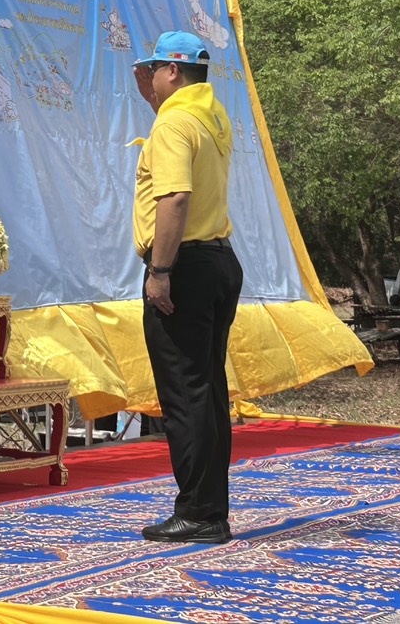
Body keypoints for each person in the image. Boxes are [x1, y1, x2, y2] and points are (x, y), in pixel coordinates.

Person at [130, 30, 242, 544]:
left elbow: (174, 198)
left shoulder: (174, 123)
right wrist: (157, 103)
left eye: (155, 68)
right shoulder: (209, 116)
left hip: (183, 267)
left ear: (172, 71)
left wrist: (160, 271)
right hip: (216, 260)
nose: (150, 76)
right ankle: (209, 508)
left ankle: (199, 512)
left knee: (186, 393)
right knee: (207, 390)